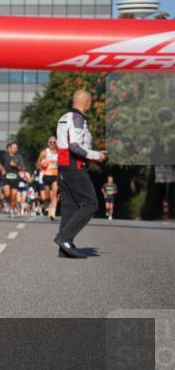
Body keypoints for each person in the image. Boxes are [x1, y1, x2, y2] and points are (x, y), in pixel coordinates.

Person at [55, 89, 108, 258]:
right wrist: (96, 155)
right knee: (91, 203)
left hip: (63, 167)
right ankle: (64, 238)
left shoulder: (64, 117)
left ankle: (65, 248)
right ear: (86, 103)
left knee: (69, 206)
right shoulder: (77, 118)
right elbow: (75, 147)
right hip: (74, 167)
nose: (90, 105)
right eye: (90, 102)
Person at [0, 141, 25, 217]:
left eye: (16, 147)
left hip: (15, 179)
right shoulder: (5, 156)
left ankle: (12, 210)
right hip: (6, 178)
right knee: (7, 194)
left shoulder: (19, 157)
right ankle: (8, 204)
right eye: (13, 147)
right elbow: (0, 164)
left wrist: (15, 165)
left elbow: (23, 168)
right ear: (10, 148)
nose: (15, 149)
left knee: (13, 196)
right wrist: (2, 170)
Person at [37, 135, 60, 220]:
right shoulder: (44, 152)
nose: (52, 143)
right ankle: (48, 208)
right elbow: (38, 163)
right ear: (48, 143)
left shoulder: (59, 152)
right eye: (50, 142)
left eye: (54, 142)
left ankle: (52, 213)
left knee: (54, 194)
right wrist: (42, 165)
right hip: (46, 176)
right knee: (46, 197)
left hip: (55, 176)